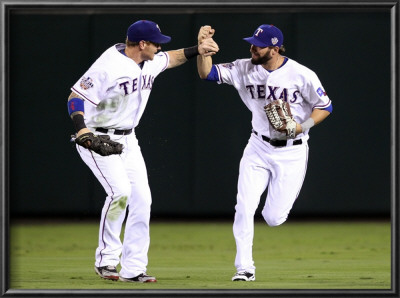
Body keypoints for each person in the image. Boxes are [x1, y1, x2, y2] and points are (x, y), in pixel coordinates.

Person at [67, 21, 219, 283]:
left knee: (142, 200)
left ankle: (133, 268)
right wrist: (82, 130)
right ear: (142, 44)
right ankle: (106, 260)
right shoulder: (109, 64)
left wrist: (199, 48)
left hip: (128, 139)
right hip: (97, 136)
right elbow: (75, 96)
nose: (160, 46)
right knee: (120, 192)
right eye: (156, 42)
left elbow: (171, 58)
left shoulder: (149, 60)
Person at [197, 24, 332, 281]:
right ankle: (244, 268)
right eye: (251, 43)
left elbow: (325, 106)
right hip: (257, 146)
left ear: (275, 48)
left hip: (291, 152)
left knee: (273, 218)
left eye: (258, 45)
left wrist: (303, 126)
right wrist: (204, 50)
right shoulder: (243, 67)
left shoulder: (302, 74)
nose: (252, 48)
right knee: (244, 206)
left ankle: (269, 225)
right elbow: (207, 74)